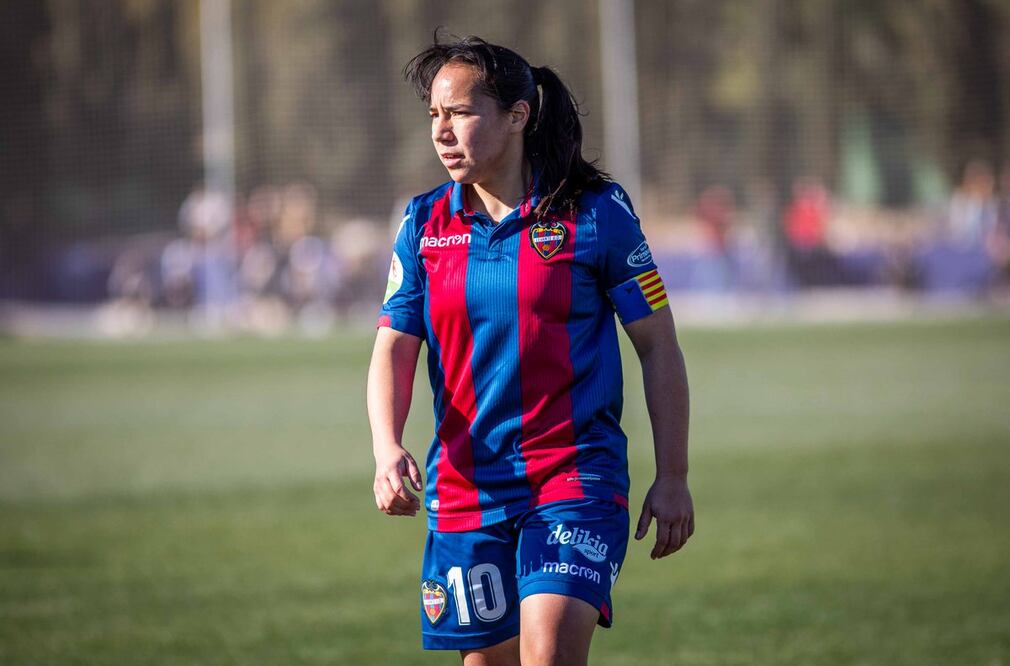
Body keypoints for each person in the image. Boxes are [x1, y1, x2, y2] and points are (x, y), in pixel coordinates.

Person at [367, 35, 693, 666]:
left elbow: (658, 344)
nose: (443, 131)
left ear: (517, 115)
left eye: (460, 112)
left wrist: (674, 473)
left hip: (573, 475)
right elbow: (394, 348)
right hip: (465, 487)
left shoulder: (596, 213)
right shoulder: (422, 225)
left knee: (547, 655)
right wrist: (386, 447)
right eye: (435, 115)